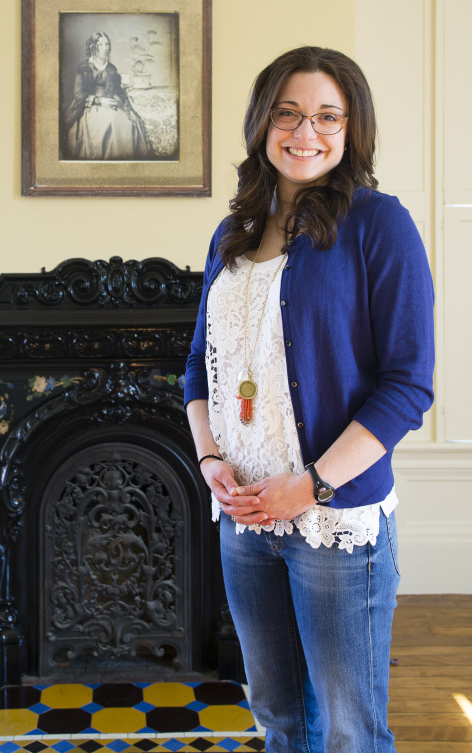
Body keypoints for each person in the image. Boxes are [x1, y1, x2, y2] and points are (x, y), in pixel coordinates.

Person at [184, 46, 434, 753]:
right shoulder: (230, 234)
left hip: (336, 522)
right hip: (245, 519)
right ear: (263, 123)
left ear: (352, 129)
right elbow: (197, 369)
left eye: (329, 115)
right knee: (280, 716)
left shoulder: (379, 224)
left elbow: (409, 382)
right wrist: (210, 461)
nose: (306, 131)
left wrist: (314, 485)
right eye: (289, 113)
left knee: (351, 728)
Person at [62, 31, 152, 160]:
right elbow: (78, 94)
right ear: (93, 47)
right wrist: (99, 101)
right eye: (101, 44)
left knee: (126, 122)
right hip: (89, 106)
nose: (105, 47)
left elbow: (116, 89)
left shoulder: (111, 68)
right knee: (109, 122)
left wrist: (123, 93)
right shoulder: (83, 68)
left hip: (110, 102)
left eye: (107, 44)